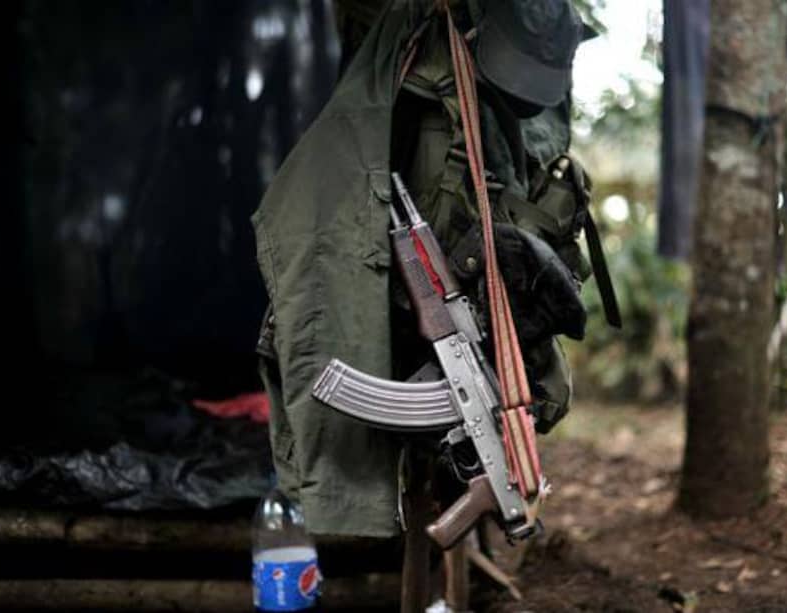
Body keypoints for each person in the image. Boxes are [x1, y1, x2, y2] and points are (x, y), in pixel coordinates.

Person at [253, 0, 611, 546]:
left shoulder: (511, 115)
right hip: (426, 298)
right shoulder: (419, 59)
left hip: (487, 332)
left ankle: (461, 532)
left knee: (454, 451)